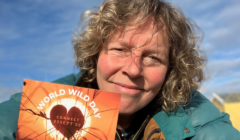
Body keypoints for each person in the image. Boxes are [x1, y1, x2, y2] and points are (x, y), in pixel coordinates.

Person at [0, 0, 240, 140]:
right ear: (96, 53)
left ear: (171, 70)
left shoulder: (200, 122)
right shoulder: (41, 105)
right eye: (120, 49)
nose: (133, 69)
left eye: (153, 57)